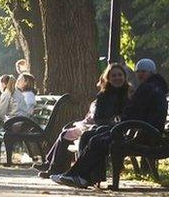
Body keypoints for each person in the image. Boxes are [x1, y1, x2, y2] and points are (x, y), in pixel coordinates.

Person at [52, 59, 168, 188]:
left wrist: (119, 123)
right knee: (92, 136)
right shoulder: (153, 86)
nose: (140, 74)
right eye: (138, 72)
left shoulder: (148, 88)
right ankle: (80, 176)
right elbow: (134, 112)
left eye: (144, 72)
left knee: (98, 140)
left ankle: (79, 176)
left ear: (151, 72)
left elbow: (134, 112)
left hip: (144, 134)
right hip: (140, 131)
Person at [34, 63, 129, 178]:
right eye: (114, 76)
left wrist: (114, 121)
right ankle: (59, 168)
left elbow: (126, 115)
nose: (117, 78)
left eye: (120, 75)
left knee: (80, 135)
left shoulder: (128, 94)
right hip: (99, 127)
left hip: (115, 131)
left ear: (124, 76)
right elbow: (98, 118)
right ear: (108, 79)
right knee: (71, 134)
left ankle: (65, 171)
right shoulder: (103, 96)